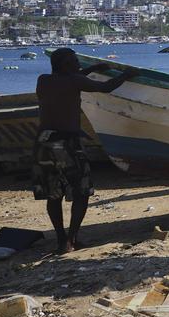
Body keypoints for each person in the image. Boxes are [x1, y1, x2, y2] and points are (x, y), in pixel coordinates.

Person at [35, 48, 136, 254]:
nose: (77, 63)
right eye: (74, 61)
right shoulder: (74, 81)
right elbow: (106, 87)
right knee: (81, 192)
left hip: (43, 143)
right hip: (67, 143)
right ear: (65, 65)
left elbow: (71, 77)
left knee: (53, 195)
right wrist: (127, 74)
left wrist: (93, 68)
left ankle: (61, 240)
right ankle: (71, 239)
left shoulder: (43, 80)